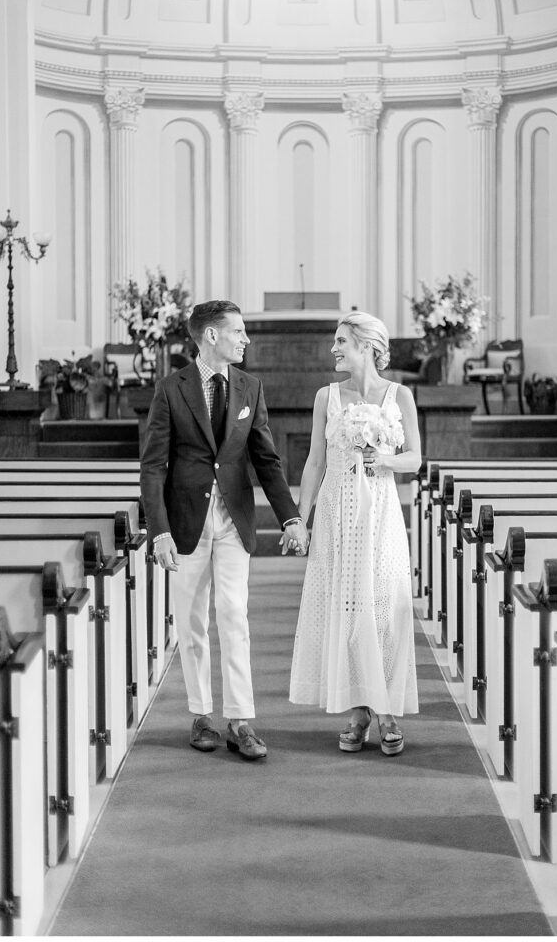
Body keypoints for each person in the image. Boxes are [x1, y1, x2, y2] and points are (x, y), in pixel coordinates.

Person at [141, 300, 309, 760]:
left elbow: (266, 460)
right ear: (211, 336)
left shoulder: (250, 387)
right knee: (193, 623)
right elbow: (153, 467)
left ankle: (240, 719)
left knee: (234, 614)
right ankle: (201, 714)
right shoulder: (170, 389)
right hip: (185, 522)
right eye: (237, 331)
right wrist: (159, 531)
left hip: (234, 517)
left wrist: (290, 517)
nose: (245, 339)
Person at [289, 312, 421, 755]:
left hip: (381, 513)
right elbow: (313, 462)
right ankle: (358, 709)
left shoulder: (399, 396)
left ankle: (386, 710)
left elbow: (416, 459)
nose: (334, 349)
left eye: (342, 341)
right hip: (335, 512)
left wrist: (384, 460)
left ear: (367, 345)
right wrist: (301, 519)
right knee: (345, 607)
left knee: (382, 606)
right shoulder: (326, 397)